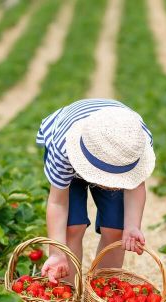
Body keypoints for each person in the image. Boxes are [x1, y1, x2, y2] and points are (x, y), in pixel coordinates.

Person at [36, 98, 155, 284]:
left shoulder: (135, 142)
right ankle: (69, 294)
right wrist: (57, 252)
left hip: (117, 155)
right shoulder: (63, 149)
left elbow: (136, 185)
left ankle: (101, 293)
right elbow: (57, 203)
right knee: (71, 227)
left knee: (116, 229)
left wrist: (132, 225)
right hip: (72, 149)